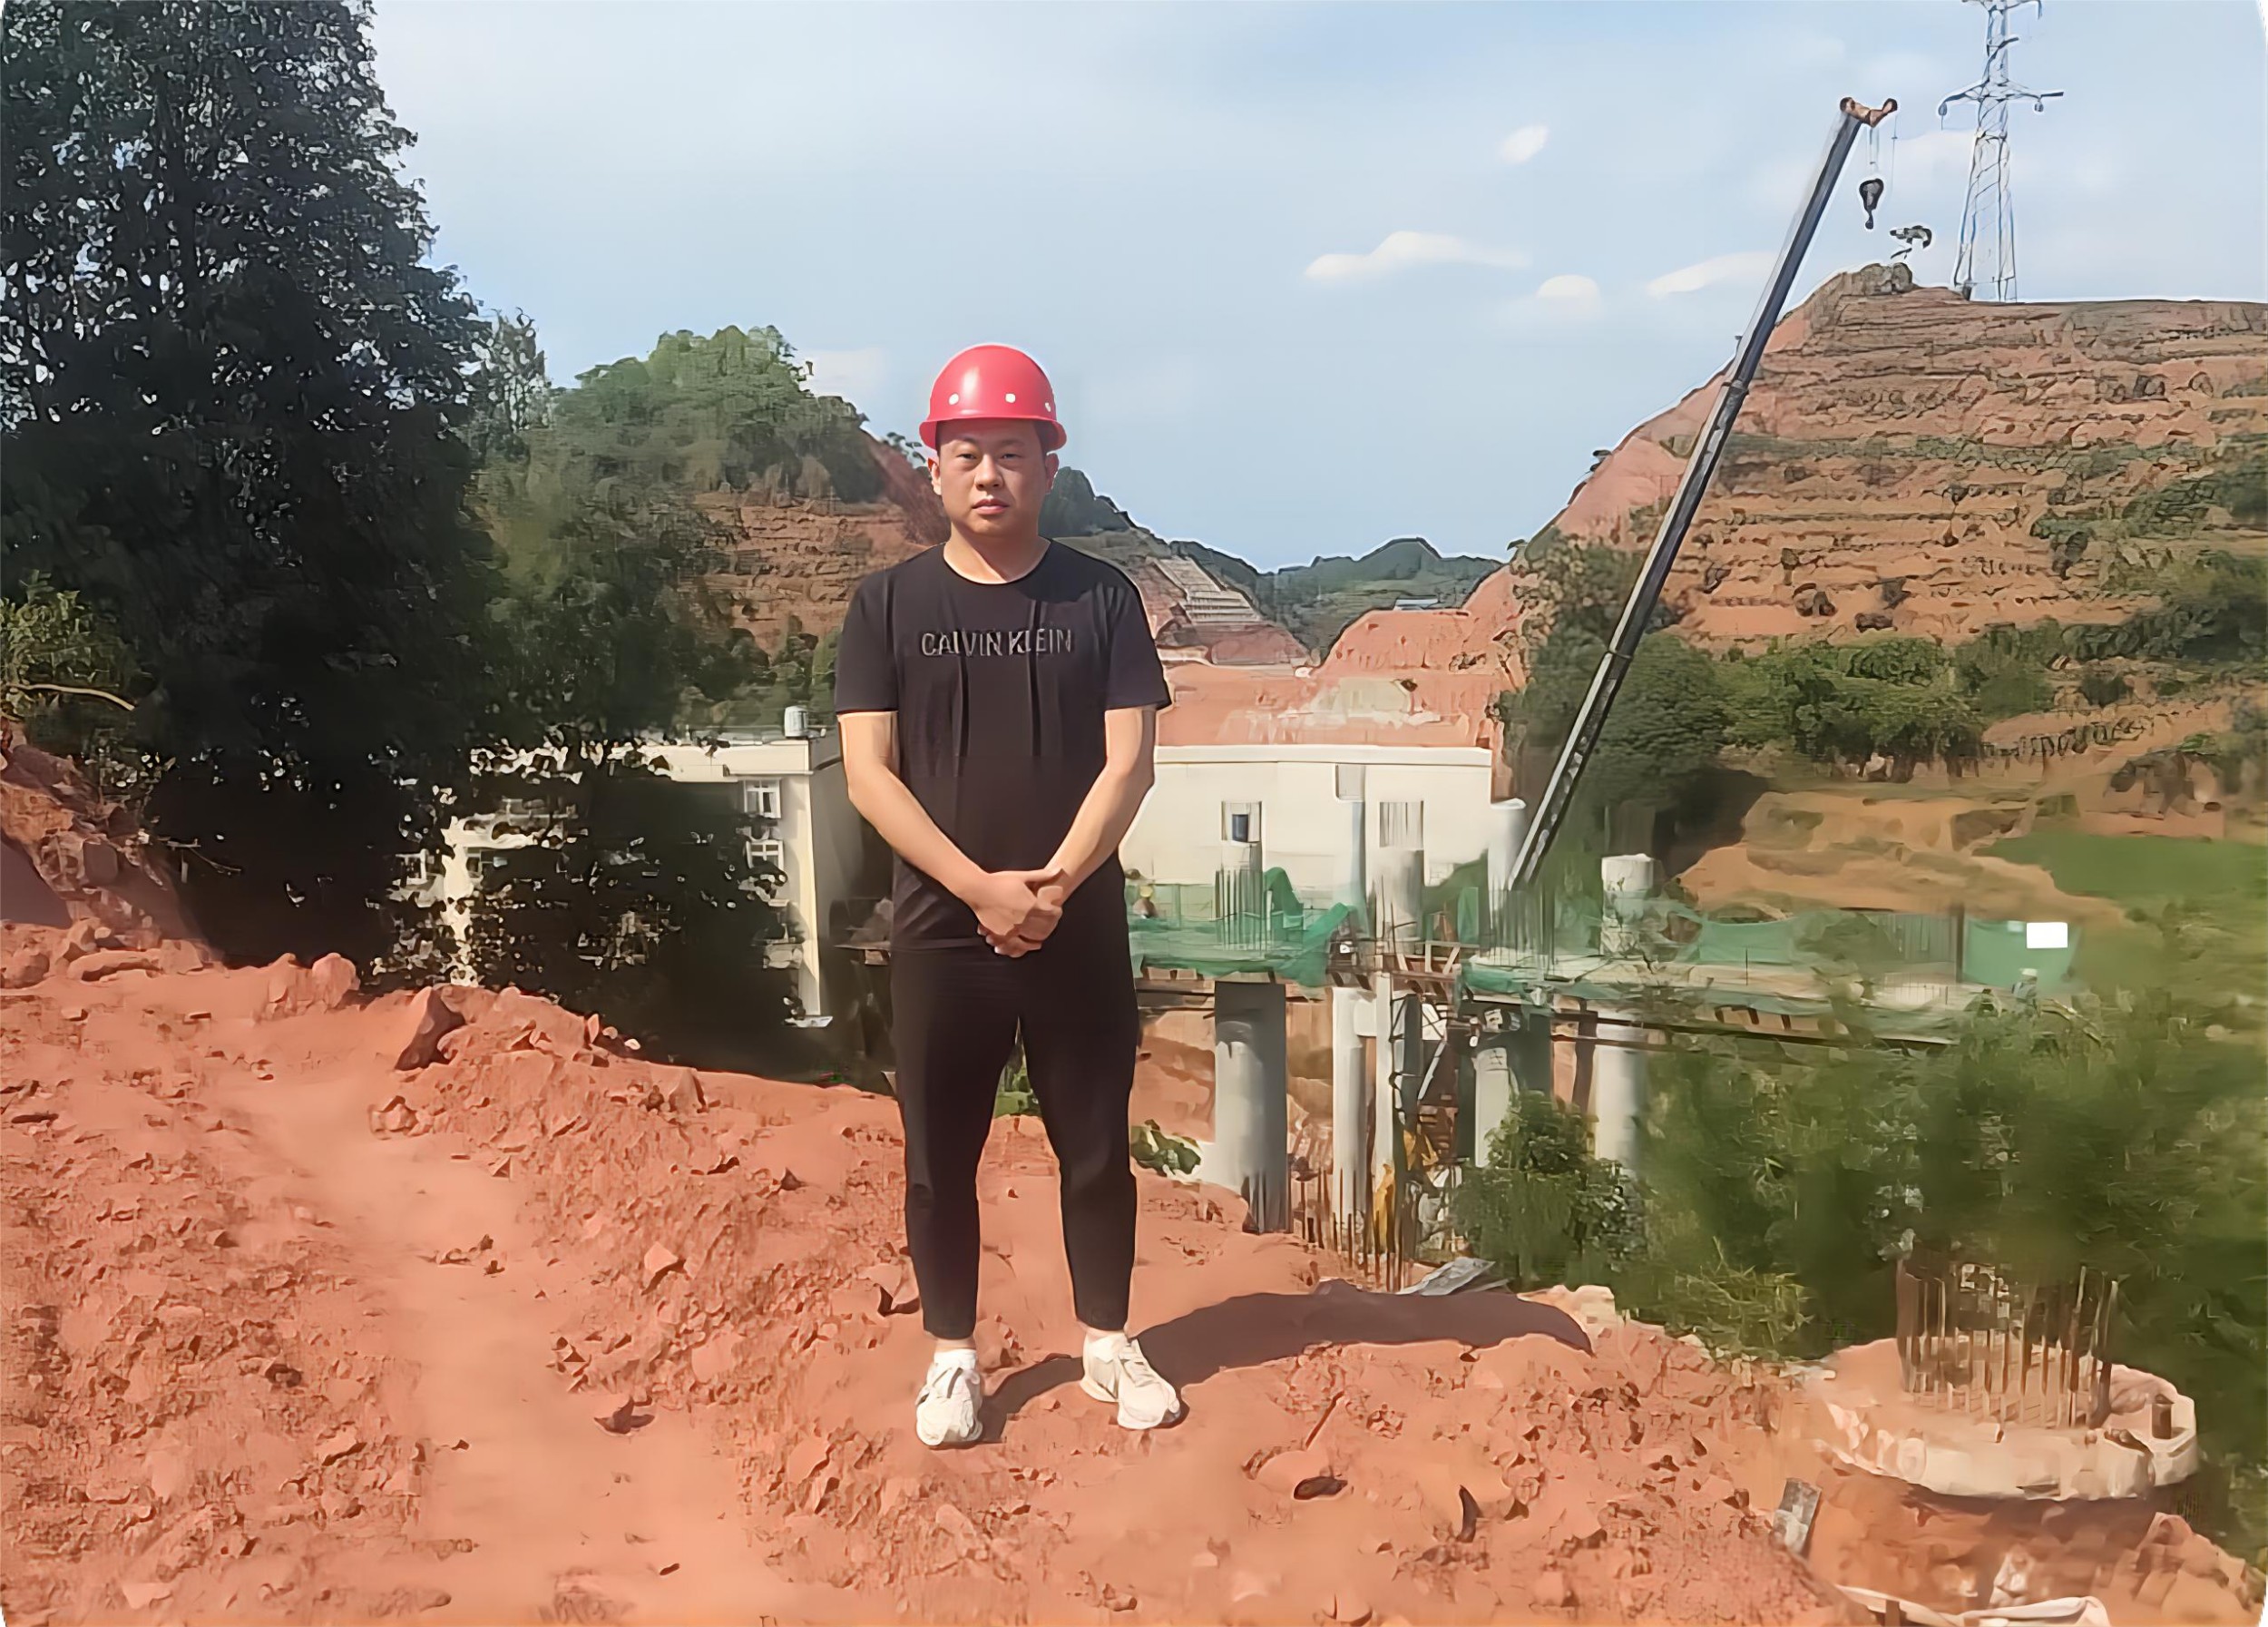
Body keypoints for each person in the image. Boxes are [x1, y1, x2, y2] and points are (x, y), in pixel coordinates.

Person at [833, 344, 1184, 1449]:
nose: (991, 474)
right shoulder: (887, 607)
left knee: (1095, 1143)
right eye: (970, 453)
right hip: (943, 927)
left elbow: (1128, 764)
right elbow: (868, 774)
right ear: (935, 465)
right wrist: (978, 888)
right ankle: (951, 1354)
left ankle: (1109, 1340)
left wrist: (1053, 885)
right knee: (940, 1157)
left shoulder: (1102, 598)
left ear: (1048, 467)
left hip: (1075, 922)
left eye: (1014, 453)